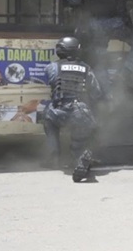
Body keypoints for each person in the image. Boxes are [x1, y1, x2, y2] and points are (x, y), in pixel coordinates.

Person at [43, 37, 102, 182]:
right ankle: (79, 159)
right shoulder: (86, 68)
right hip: (77, 112)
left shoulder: (51, 67)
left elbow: (51, 82)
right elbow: (96, 92)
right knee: (84, 132)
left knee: (47, 118)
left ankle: (53, 157)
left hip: (56, 112)